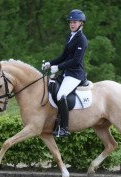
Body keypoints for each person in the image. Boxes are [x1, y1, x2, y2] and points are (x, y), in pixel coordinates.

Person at [42, 9, 88, 137]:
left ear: (81, 23)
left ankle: (64, 128)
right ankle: (53, 120)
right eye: (70, 22)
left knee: (61, 95)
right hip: (66, 73)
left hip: (75, 74)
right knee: (51, 88)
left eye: (75, 22)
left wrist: (58, 67)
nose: (72, 24)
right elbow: (64, 56)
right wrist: (50, 63)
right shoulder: (70, 36)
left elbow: (75, 61)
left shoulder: (82, 40)